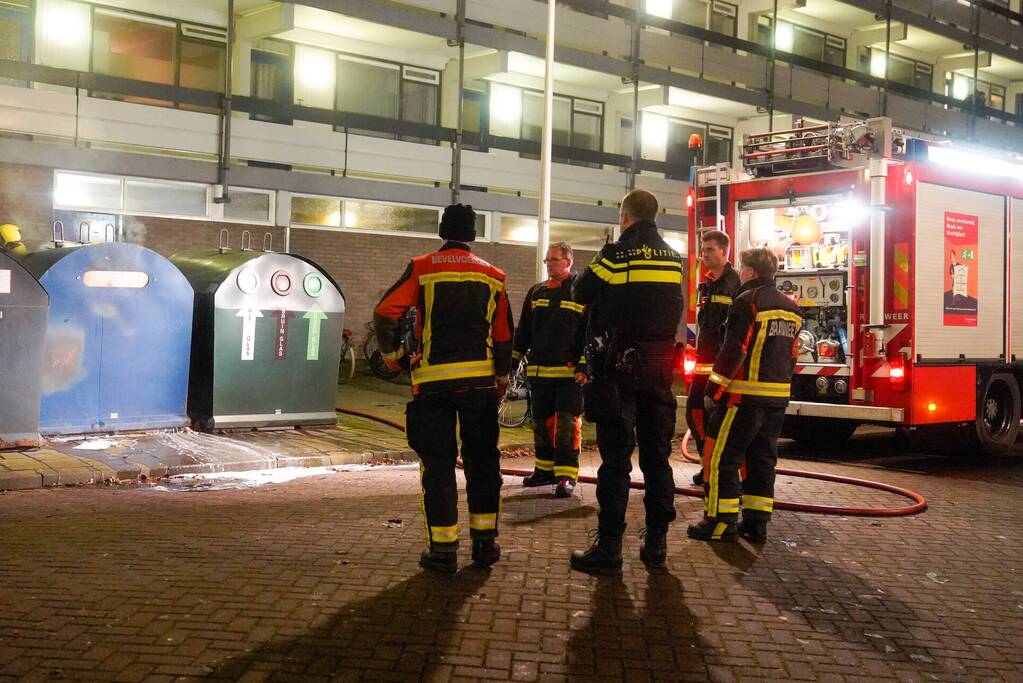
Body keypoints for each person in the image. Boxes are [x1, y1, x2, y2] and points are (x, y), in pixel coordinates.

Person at [374, 204, 514, 573]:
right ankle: (484, 546)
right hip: (479, 383)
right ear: (473, 235)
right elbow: (503, 335)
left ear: (442, 232)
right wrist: (501, 378)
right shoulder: (494, 276)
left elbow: (386, 311)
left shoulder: (422, 267)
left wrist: (396, 358)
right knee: (483, 463)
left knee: (437, 466)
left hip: (433, 383)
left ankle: (443, 550)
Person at [569, 189, 684, 573]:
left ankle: (610, 548)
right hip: (660, 368)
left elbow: (579, 290)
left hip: (620, 368)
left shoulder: (615, 254)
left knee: (616, 460)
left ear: (624, 216)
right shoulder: (673, 257)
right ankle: (656, 544)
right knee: (657, 459)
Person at [688, 247, 799, 544]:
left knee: (722, 458)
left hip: (742, 399)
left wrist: (714, 389)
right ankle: (756, 522)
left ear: (749, 271)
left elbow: (735, 349)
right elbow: (792, 356)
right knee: (762, 459)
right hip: (776, 399)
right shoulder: (790, 306)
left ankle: (720, 523)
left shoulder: (746, 302)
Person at [513, 241, 588, 498]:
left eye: (554, 260)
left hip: (569, 375)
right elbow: (523, 331)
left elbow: (589, 333)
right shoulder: (536, 293)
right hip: (539, 373)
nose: (549, 265)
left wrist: (584, 364)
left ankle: (566, 476)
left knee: (566, 425)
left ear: (568, 261)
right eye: (547, 261)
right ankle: (544, 470)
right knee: (541, 424)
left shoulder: (580, 293)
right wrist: (512, 361)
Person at [686, 229, 740, 486]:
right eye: (703, 250)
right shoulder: (705, 284)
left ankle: (721, 471)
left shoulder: (734, 285)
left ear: (724, 252)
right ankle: (706, 464)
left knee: (721, 420)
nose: (704, 255)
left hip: (723, 366)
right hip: (703, 362)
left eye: (710, 250)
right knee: (694, 413)